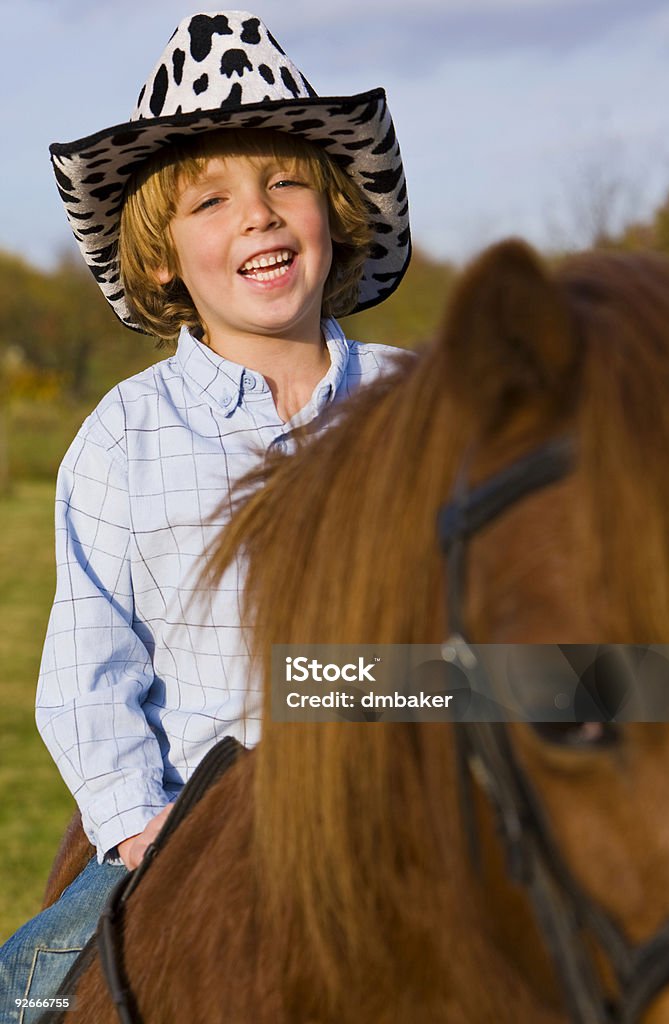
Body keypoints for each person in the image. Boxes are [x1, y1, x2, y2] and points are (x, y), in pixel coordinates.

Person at [0, 10, 410, 1021]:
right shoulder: (123, 437)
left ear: (333, 210)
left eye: (284, 182)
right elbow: (89, 669)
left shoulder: (420, 407)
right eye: (211, 200)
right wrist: (140, 822)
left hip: (411, 828)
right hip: (200, 845)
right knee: (26, 987)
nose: (258, 217)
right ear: (162, 262)